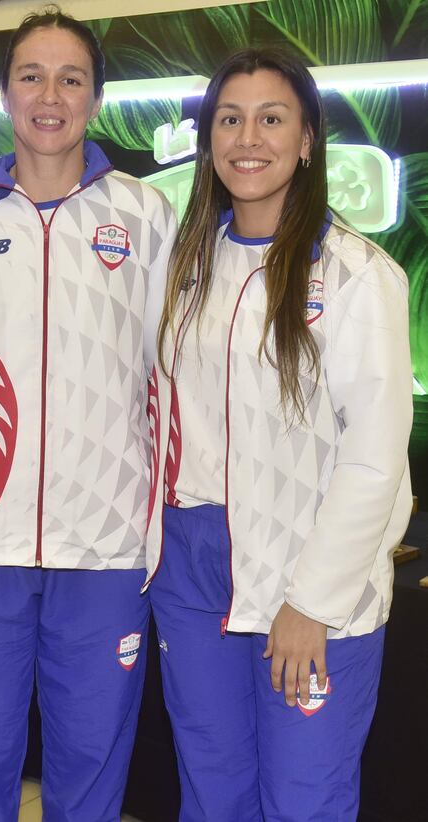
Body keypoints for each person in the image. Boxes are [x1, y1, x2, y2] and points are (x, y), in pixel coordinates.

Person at [0, 6, 175, 820]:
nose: (50, 96)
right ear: (5, 93)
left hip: (105, 542)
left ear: (96, 98)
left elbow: (173, 371)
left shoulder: (146, 216)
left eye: (71, 78)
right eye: (32, 76)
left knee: (92, 766)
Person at [144, 48, 413, 821]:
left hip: (309, 571)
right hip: (194, 572)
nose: (248, 138)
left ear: (306, 140)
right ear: (208, 140)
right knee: (212, 787)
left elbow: (374, 458)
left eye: (271, 118)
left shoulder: (358, 275)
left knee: (303, 798)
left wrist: (312, 603)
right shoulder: (185, 266)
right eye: (230, 119)